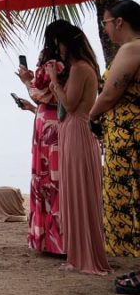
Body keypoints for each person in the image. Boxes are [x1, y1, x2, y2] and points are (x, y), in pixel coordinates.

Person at [47, 24, 110, 275]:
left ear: (66, 44)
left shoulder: (80, 68)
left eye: (58, 44)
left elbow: (70, 104)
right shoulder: (85, 68)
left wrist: (54, 81)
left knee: (79, 192)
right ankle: (81, 253)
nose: (57, 50)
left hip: (76, 130)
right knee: (79, 191)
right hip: (77, 130)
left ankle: (83, 257)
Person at [89, 0, 140, 290]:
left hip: (130, 136)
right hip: (128, 132)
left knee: (131, 198)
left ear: (119, 22)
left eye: (106, 23)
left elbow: (110, 94)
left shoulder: (132, 48)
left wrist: (92, 116)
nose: (105, 29)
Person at [16, 20, 72, 255]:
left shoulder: (51, 65)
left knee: (45, 179)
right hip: (58, 122)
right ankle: (62, 237)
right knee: (59, 178)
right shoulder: (71, 64)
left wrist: (26, 80)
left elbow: (39, 93)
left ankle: (48, 240)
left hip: (47, 124)